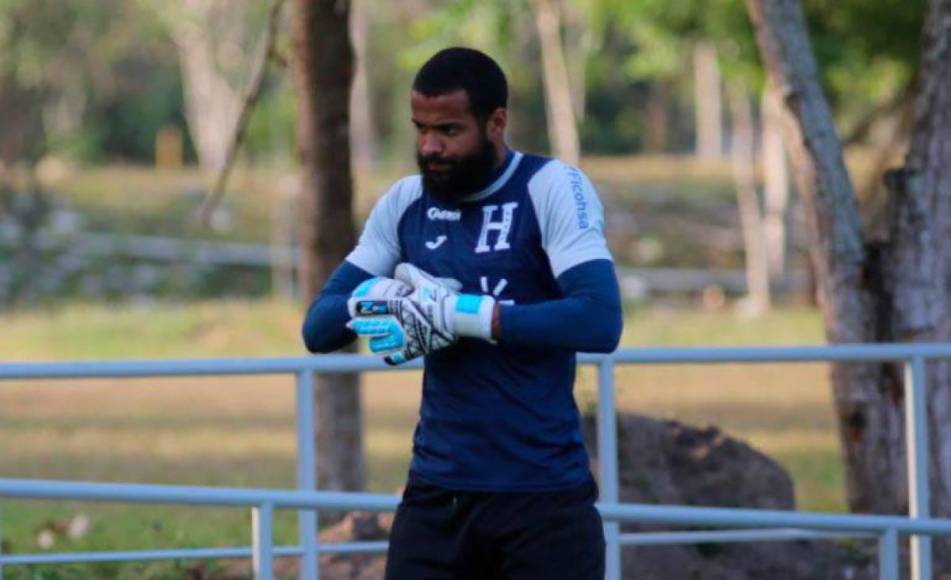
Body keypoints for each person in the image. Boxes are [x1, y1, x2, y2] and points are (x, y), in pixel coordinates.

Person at [302, 46, 622, 580]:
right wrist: (380, 299)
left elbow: (599, 319)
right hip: (436, 499)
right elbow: (318, 326)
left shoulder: (550, 188)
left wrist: (465, 316)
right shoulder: (406, 202)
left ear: (496, 122)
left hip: (542, 501)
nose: (430, 147)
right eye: (420, 129)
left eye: (448, 130)